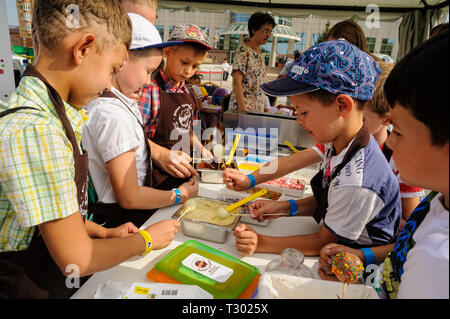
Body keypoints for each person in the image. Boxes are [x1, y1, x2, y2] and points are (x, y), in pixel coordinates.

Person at [0, 0, 179, 299]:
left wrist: (104, 233)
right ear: (83, 48)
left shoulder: (54, 117)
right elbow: (77, 260)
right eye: (112, 69)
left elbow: (53, 212)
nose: (110, 83)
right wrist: (147, 239)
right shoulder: (37, 130)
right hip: (29, 284)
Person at [231, 40, 402, 257]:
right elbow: (330, 199)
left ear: (343, 106)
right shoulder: (343, 143)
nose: (298, 121)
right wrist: (282, 208)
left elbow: (322, 242)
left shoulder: (358, 180)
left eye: (303, 112)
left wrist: (261, 242)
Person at [318, 30, 449, 299]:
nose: (389, 143)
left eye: (398, 131)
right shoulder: (437, 201)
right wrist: (361, 259)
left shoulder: (438, 262)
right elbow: (401, 252)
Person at [82, 13, 198, 229]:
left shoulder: (116, 104)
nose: (147, 81)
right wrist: (179, 195)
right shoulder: (111, 115)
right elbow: (129, 197)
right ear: (122, 59)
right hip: (119, 218)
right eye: (148, 71)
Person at [138, 24, 214, 189]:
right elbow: (133, 136)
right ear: (168, 52)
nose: (188, 71)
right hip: (155, 181)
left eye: (195, 66)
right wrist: (161, 154)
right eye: (184, 62)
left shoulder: (190, 93)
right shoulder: (151, 89)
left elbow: (188, 132)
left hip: (183, 178)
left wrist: (202, 150)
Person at [363, 61, 424, 226]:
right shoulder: (349, 146)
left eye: (362, 119)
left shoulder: (399, 162)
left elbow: (410, 226)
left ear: (386, 118)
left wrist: (366, 253)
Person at [229, 12, 276, 113]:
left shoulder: (260, 55)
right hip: (243, 110)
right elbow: (237, 82)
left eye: (270, 32)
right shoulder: (243, 51)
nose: (268, 35)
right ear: (254, 30)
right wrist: (243, 110)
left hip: (256, 111)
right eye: (266, 31)